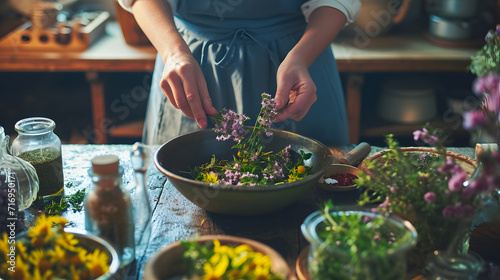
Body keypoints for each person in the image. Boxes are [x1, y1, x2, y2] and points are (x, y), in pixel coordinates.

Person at [118, 0, 360, 146]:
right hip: (191, 62)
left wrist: (300, 58)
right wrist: (173, 53)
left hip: (300, 58)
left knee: (311, 192)